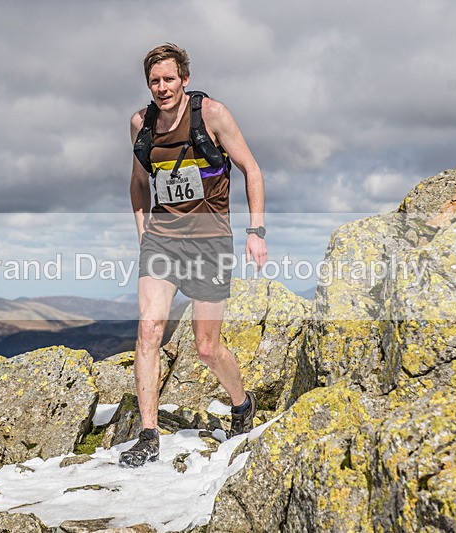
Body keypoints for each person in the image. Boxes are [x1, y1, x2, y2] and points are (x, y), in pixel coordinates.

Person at [120, 43, 268, 468]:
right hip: (162, 240)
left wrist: (256, 231)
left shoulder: (212, 115)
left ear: (184, 79)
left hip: (210, 241)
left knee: (206, 347)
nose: (162, 88)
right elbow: (138, 181)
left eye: (169, 79)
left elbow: (252, 170)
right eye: (154, 81)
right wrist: (143, 231)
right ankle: (149, 435)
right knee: (149, 330)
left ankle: (241, 404)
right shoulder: (140, 124)